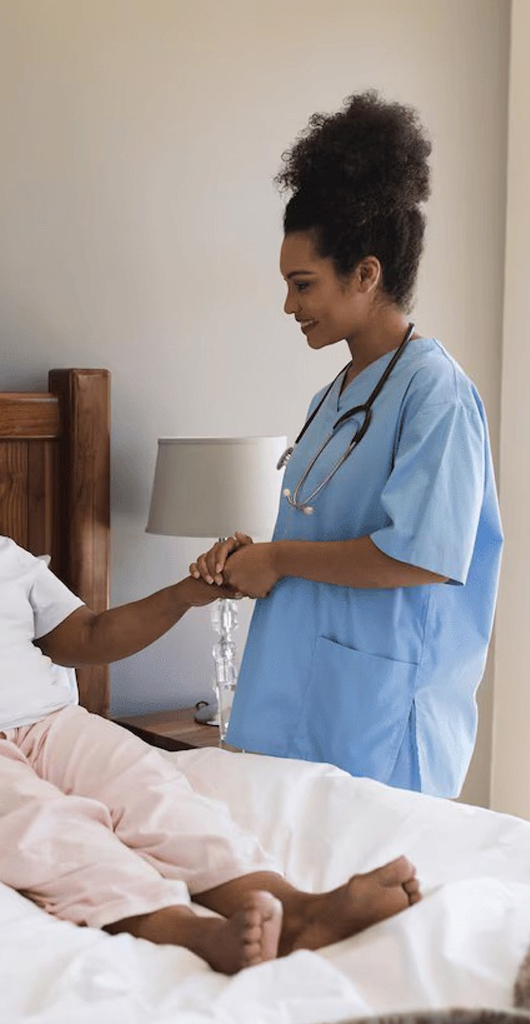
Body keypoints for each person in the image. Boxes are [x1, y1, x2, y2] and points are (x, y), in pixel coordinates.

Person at [0, 389, 421, 976]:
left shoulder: (1, 557)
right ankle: (200, 937)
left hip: (45, 723)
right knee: (37, 820)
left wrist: (188, 592)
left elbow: (91, 638)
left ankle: (293, 907)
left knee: (150, 785)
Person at [191, 92, 502, 798]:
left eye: (304, 285)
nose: (289, 305)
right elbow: (322, 524)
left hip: (378, 715)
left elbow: (417, 555)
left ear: (366, 274)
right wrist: (253, 554)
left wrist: (279, 558)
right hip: (296, 696)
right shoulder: (334, 396)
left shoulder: (437, 394)